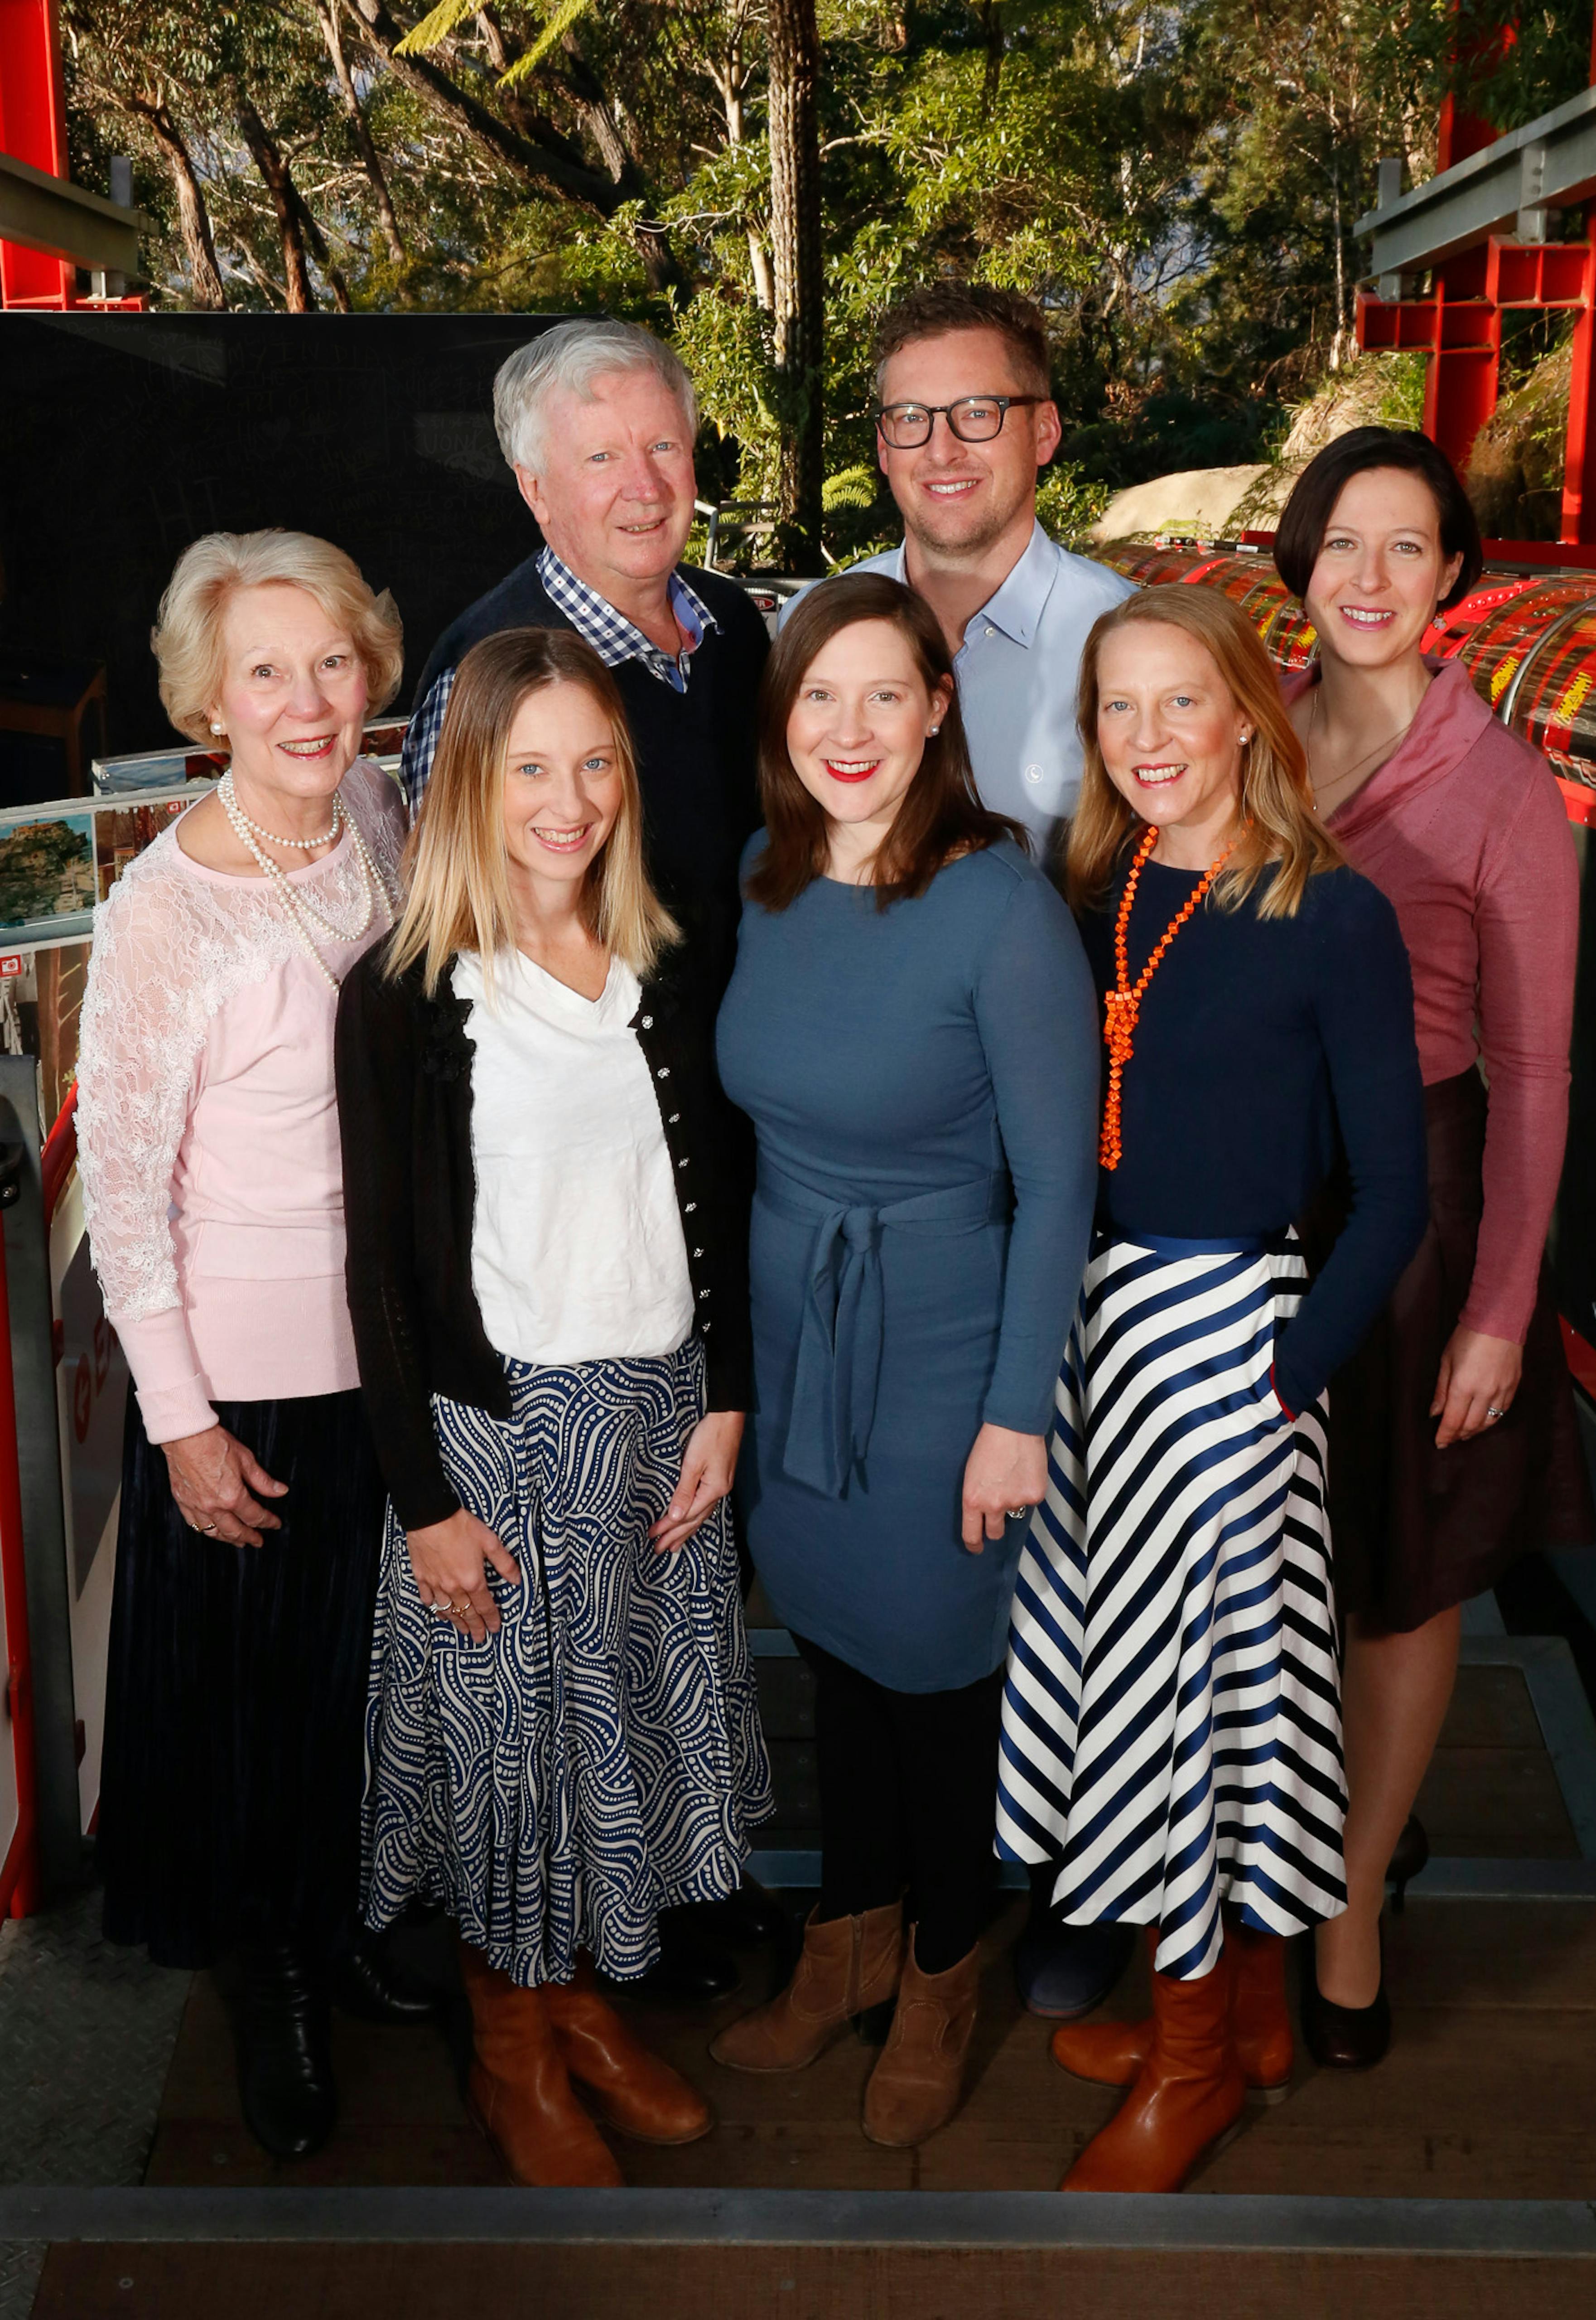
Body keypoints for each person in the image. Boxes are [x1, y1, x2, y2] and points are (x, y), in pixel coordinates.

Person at [995, 583, 1427, 2194]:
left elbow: (1394, 1195)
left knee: (1194, 1710)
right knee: (1183, 1698)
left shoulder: (1336, 912)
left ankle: (1190, 2073)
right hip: (1098, 1332)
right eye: (1121, 708)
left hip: (1236, 1340)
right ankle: (1240, 2014)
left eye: (1185, 703)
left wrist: (1285, 1378)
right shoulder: (1098, 879)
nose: (1152, 738)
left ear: (1249, 708)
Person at [337, 625, 771, 2188]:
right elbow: (380, 1276)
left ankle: (580, 2005)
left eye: (596, 764)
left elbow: (710, 1196)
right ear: (470, 780)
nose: (570, 798)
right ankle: (509, 2049)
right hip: (497, 1444)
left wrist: (725, 1400)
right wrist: (424, 1502)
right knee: (512, 1768)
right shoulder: (402, 991)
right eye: (532, 768)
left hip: (654, 1421)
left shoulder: (666, 960)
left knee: (616, 1752)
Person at [709, 572, 1099, 2147]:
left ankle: (947, 1957)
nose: (850, 730)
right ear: (784, 720)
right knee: (839, 1647)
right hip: (801, 1315)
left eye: (886, 695)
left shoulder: (1001, 905)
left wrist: (1017, 1417)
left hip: (944, 1333)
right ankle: (846, 1939)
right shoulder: (762, 876)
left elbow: (1061, 1182)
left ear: (939, 708)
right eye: (820, 697)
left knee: (939, 1667)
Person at [82, 529, 427, 2163]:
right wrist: (181, 1421)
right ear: (208, 702)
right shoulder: (164, 907)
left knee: (361, 1679)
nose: (309, 700)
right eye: (269, 671)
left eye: (335, 662)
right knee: (254, 1700)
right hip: (254, 1373)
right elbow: (124, 1184)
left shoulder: (377, 817)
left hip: (395, 1350)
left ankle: (343, 1913)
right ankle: (272, 1972)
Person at [1275, 427, 1596, 2065]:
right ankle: (1291, 1852)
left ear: (1457, 576)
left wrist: (1499, 1308)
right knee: (1278, 1562)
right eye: (1344, 542)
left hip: (1424, 1195)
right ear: (1302, 558)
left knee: (1400, 1577)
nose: (1371, 579)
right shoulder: (1256, 732)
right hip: (1261, 1189)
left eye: (1409, 548)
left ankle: (1349, 1916)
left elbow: (1536, 1071)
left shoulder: (1501, 790)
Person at [401, 319, 769, 1008]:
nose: (646, 486)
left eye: (663, 446)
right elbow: (456, 949)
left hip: (763, 1068)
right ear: (535, 490)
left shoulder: (736, 625)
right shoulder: (482, 670)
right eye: (601, 458)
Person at [803, 284, 1133, 876]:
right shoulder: (812, 628)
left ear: (1045, 431)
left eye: (978, 413)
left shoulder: (1124, 640)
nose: (941, 449)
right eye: (910, 419)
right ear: (883, 447)